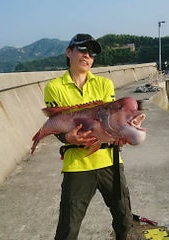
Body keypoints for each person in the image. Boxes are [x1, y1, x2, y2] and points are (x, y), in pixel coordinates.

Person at [44, 33, 133, 240]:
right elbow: (57, 127)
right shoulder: (54, 88)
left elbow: (111, 121)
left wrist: (122, 134)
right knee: (68, 229)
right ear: (69, 52)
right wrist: (69, 139)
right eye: (83, 49)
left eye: (92, 53)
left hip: (110, 160)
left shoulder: (104, 84)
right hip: (77, 164)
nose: (88, 56)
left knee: (124, 219)